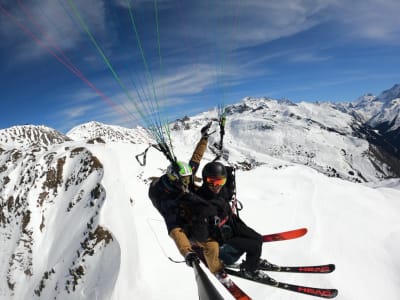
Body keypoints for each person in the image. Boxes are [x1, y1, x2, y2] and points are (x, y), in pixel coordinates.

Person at [148, 123, 226, 278]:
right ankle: (217, 270)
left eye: (188, 179)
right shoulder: (168, 202)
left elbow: (196, 158)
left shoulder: (185, 178)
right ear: (176, 182)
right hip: (185, 221)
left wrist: (204, 139)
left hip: (189, 204)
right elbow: (174, 229)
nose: (187, 183)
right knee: (211, 245)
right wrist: (187, 252)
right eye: (184, 182)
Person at [194, 161, 274, 280]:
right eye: (212, 182)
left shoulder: (220, 191)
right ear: (205, 180)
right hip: (222, 236)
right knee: (255, 246)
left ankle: (253, 260)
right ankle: (250, 270)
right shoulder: (201, 201)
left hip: (231, 225)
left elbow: (228, 192)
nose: (217, 186)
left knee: (258, 238)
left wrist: (229, 176)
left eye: (220, 182)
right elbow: (199, 229)